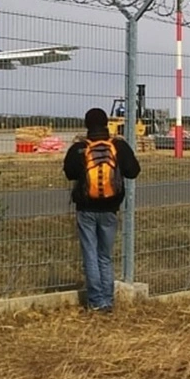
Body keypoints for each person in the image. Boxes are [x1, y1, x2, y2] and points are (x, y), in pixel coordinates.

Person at [63, 107, 141, 312]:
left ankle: (95, 301)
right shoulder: (119, 146)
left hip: (86, 209)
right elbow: (134, 171)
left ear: (87, 125)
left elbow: (69, 174)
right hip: (110, 209)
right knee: (104, 256)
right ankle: (107, 301)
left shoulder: (79, 148)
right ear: (107, 123)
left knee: (90, 253)